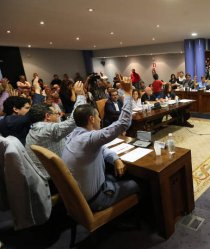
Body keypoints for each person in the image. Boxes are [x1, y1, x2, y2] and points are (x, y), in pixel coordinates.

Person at [61, 77, 139, 212]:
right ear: (91, 119)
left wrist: (115, 158)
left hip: (78, 198)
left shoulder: (73, 133)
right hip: (95, 200)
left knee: (113, 174)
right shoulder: (90, 138)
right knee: (135, 183)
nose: (100, 119)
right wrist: (127, 94)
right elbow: (124, 123)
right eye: (97, 116)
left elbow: (101, 148)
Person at [25, 81, 86, 177]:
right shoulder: (46, 129)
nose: (58, 115)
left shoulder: (34, 129)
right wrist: (80, 96)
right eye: (56, 114)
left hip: (46, 174)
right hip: (56, 178)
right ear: (47, 116)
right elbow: (73, 121)